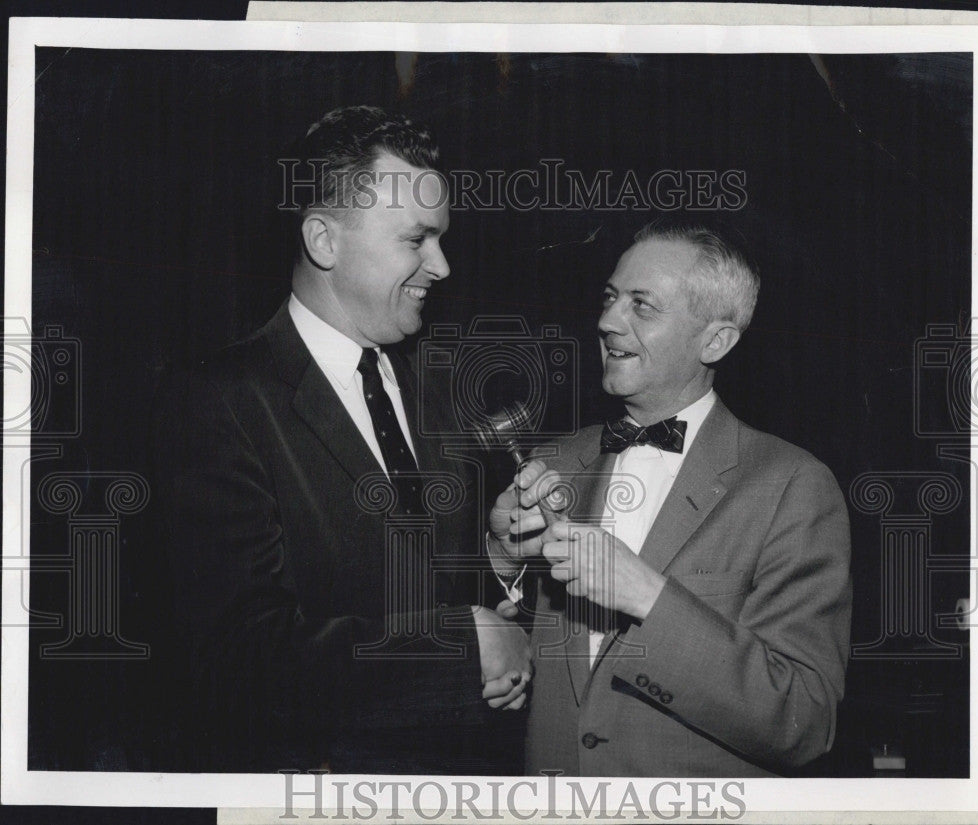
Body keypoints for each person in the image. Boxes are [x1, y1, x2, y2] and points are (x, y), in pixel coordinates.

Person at [152, 106, 529, 773]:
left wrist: (496, 558)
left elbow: (434, 587)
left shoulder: (436, 386)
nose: (441, 265)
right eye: (418, 239)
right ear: (324, 241)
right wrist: (461, 650)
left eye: (441, 238)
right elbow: (236, 661)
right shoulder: (218, 400)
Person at [488, 223, 852, 777]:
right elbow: (518, 653)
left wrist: (650, 598)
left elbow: (804, 718)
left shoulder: (792, 485)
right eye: (611, 297)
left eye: (643, 305)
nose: (608, 321)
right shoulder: (556, 461)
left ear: (716, 341)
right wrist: (505, 556)